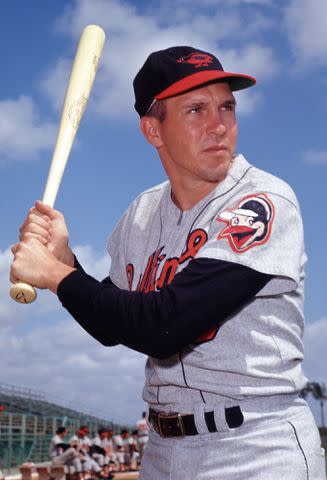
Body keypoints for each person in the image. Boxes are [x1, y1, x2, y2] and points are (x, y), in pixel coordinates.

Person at [10, 45, 326, 480]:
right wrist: (67, 263)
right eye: (196, 109)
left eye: (227, 107)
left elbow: (166, 325)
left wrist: (53, 274)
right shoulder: (139, 216)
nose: (220, 125)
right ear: (152, 131)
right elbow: (111, 323)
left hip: (254, 447)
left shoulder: (261, 201)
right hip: (162, 451)